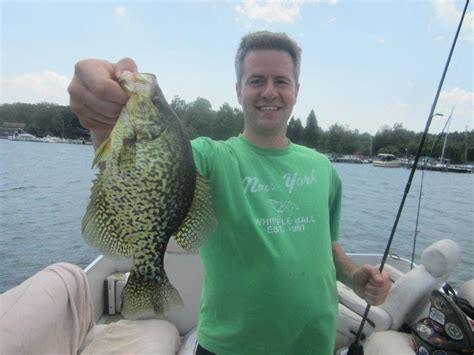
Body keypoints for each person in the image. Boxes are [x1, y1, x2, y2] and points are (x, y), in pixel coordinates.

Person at [68, 31, 391, 354]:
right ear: (238, 91)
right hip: (227, 347)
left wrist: (353, 276)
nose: (269, 91)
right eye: (256, 81)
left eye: (281, 81)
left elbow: (325, 244)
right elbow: (142, 166)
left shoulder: (323, 168)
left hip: (312, 343)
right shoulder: (212, 157)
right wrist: (101, 119)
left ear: (296, 91)